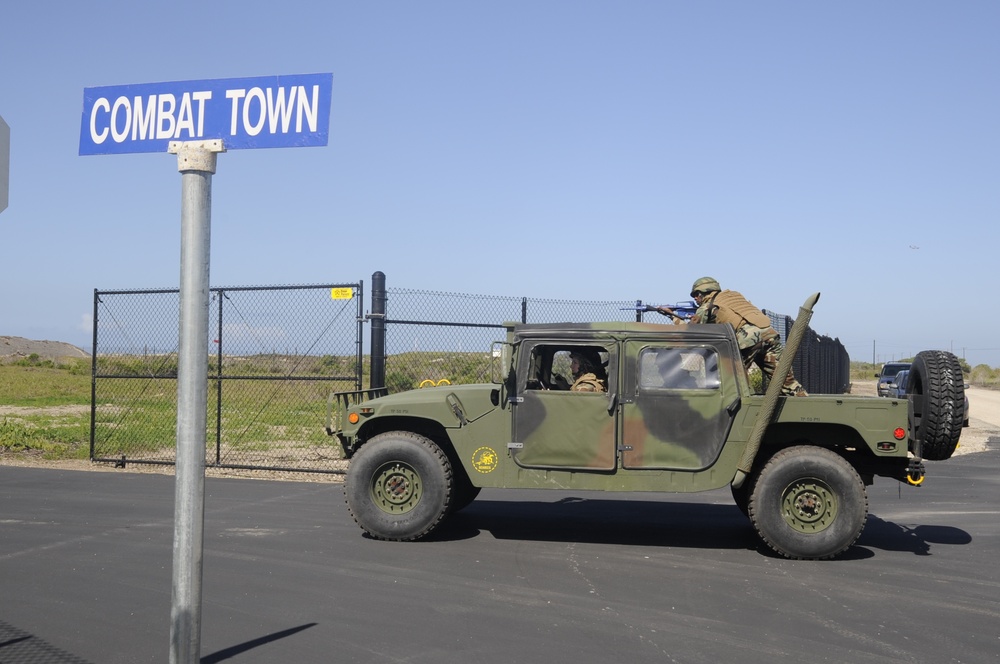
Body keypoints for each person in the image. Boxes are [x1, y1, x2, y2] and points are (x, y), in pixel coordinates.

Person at [655, 277, 808, 397]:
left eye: (696, 294)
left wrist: (672, 316)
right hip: (770, 334)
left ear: (703, 292)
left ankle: (742, 410)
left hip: (749, 339)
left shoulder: (706, 307)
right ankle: (807, 407)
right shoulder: (733, 297)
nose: (695, 298)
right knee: (785, 381)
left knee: (730, 379)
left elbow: (690, 332)